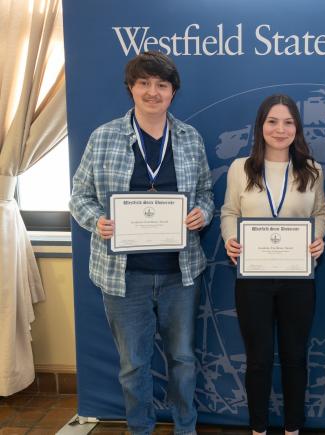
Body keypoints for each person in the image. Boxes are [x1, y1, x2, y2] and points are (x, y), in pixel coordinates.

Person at [70, 51, 214, 435]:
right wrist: (95, 221)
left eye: (162, 85)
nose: (153, 92)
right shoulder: (104, 137)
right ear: (130, 88)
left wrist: (202, 214)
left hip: (179, 274)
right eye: (144, 83)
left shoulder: (189, 138)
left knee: (182, 359)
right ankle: (141, 429)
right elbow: (78, 197)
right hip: (123, 277)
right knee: (133, 364)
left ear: (173, 92)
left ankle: (186, 427)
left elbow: (204, 193)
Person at [220, 94, 325, 435]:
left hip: (298, 279)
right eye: (272, 121)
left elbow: (320, 214)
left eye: (288, 122)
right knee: (259, 359)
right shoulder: (240, 168)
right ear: (260, 126)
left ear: (297, 127)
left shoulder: (312, 169)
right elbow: (229, 212)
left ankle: (293, 427)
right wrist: (229, 238)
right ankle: (258, 428)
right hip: (253, 279)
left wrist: (318, 238)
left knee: (295, 357)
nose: (280, 129)